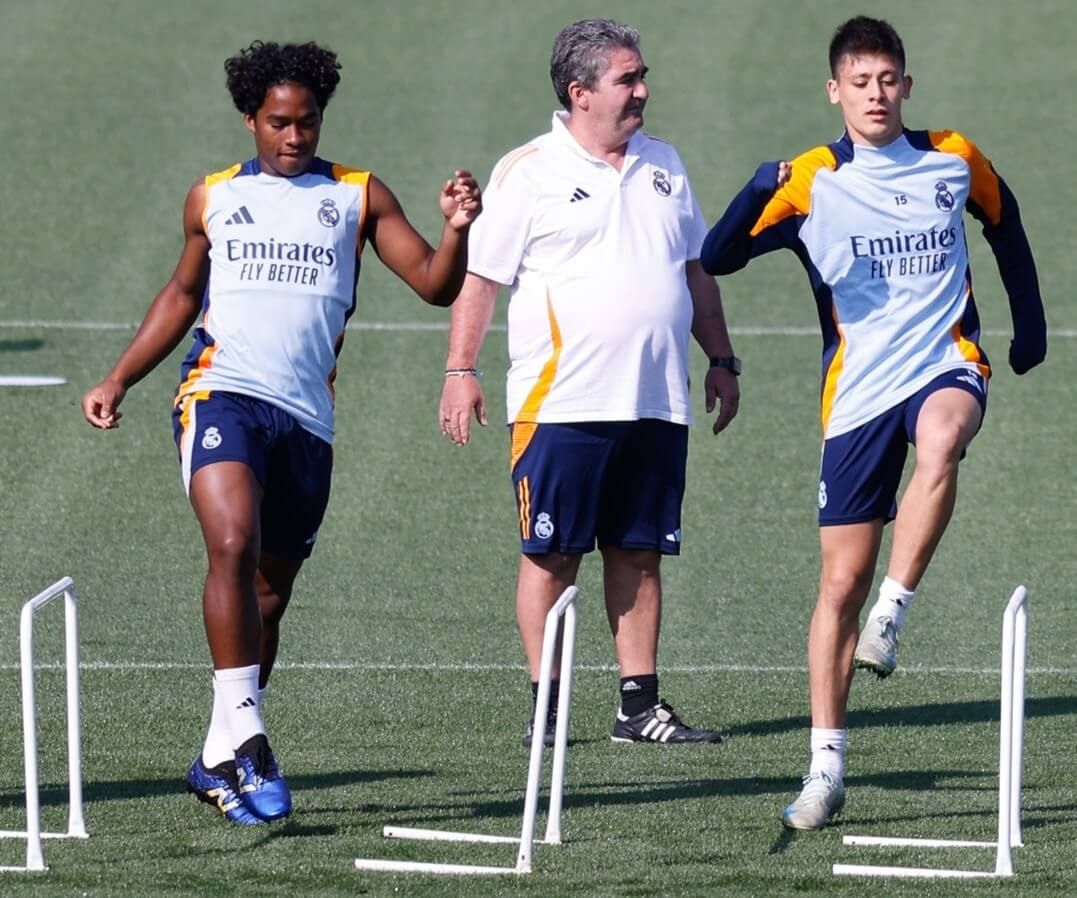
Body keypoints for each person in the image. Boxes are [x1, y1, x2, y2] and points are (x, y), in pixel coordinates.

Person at [81, 40, 481, 825]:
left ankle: (214, 756)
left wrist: (458, 228)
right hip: (221, 393)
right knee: (230, 542)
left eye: (308, 122)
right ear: (249, 119)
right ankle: (252, 736)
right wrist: (118, 375)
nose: (295, 137)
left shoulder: (358, 196)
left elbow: (435, 285)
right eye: (278, 123)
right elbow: (180, 292)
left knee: (267, 595)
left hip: (306, 420)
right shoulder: (213, 197)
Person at [700, 16, 1047, 829]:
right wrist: (755, 189)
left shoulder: (952, 157)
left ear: (906, 84)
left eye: (887, 79)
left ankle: (893, 611)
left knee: (942, 438)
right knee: (834, 585)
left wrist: (1026, 323)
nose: (875, 94)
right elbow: (718, 257)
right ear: (835, 90)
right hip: (855, 393)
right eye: (859, 82)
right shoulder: (811, 178)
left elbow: (1008, 223)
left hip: (943, 364)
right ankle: (825, 767)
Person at [439, 19, 740, 748]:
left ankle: (638, 708)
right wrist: (460, 371)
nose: (642, 89)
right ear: (579, 92)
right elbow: (481, 281)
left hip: (655, 398)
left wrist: (722, 359)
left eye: (641, 76)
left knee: (638, 552)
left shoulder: (664, 163)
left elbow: (694, 270)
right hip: (561, 401)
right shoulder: (529, 171)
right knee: (551, 552)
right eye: (627, 79)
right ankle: (546, 709)